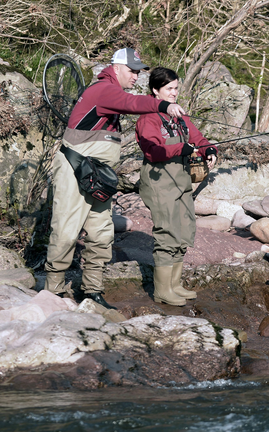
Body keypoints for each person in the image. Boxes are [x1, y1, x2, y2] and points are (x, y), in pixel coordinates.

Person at [44, 48, 187, 310]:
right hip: (75, 168)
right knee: (65, 231)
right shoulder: (103, 89)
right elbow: (133, 105)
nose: (136, 76)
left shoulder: (113, 91)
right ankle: (52, 292)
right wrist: (164, 104)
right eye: (132, 71)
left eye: (139, 72)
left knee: (101, 233)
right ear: (116, 68)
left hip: (98, 173)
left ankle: (92, 291)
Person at [135, 67, 218, 306]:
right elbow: (152, 151)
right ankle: (162, 290)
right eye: (169, 89)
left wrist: (208, 149)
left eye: (176, 88)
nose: (174, 93)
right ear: (155, 90)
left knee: (184, 229)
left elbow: (198, 138)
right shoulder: (147, 118)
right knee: (167, 233)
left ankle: (175, 285)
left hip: (181, 180)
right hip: (159, 181)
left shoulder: (179, 115)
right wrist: (179, 149)